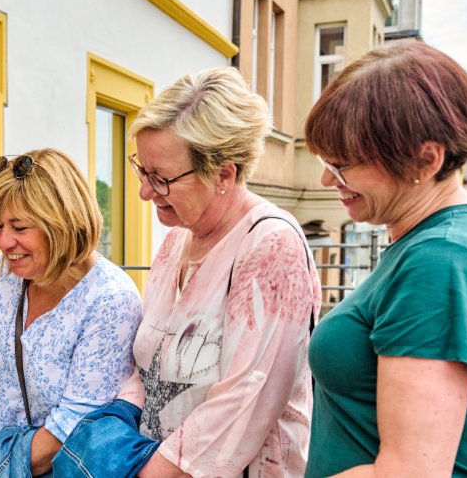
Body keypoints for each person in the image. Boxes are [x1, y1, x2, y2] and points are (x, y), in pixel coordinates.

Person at [54, 66, 321, 477]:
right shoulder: (177, 239)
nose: (145, 192)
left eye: (160, 179)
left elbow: (242, 403)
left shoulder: (271, 246)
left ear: (223, 174)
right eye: (142, 171)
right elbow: (147, 364)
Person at [304, 42, 467, 477]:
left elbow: (408, 472)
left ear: (425, 159)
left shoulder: (445, 262)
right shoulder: (433, 245)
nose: (326, 179)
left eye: (342, 165)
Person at [0, 149, 143, 476]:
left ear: (62, 222)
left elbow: (72, 430)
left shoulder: (109, 298)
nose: (4, 242)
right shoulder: (1, 274)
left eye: (19, 227)